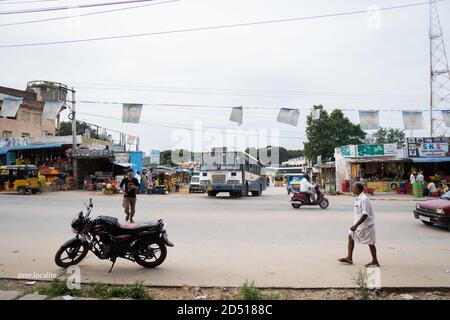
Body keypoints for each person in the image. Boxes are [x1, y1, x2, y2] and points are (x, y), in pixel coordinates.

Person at [338, 182, 380, 268]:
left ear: (358, 189)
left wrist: (356, 225)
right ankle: (349, 258)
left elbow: (365, 214)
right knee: (350, 236)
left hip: (367, 226)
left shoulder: (364, 199)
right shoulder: (358, 198)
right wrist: (355, 225)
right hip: (360, 226)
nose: (352, 189)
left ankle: (375, 261)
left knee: (371, 243)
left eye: (353, 188)